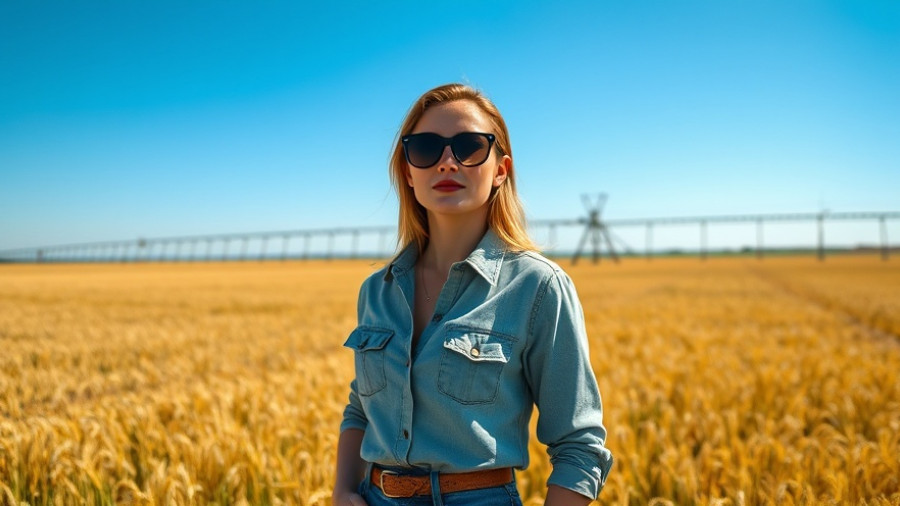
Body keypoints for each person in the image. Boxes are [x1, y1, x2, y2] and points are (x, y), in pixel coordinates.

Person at [332, 83, 613, 506]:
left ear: (501, 169)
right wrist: (342, 490)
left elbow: (579, 443)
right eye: (425, 148)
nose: (447, 162)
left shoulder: (538, 287)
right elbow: (361, 409)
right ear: (409, 171)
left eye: (469, 146)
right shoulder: (378, 289)